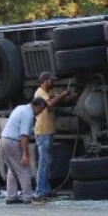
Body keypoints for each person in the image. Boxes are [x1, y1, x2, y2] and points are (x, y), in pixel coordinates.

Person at [31, 73, 74, 204]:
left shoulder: (48, 92)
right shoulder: (40, 93)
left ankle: (45, 190)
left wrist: (67, 96)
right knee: (43, 163)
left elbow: (57, 99)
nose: (53, 82)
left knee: (47, 163)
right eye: (51, 80)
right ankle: (40, 192)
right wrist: (62, 94)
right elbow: (49, 104)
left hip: (48, 131)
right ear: (45, 81)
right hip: (43, 132)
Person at [0, 100, 37, 204]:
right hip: (12, 141)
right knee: (23, 169)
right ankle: (28, 197)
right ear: (38, 107)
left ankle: (11, 197)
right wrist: (25, 154)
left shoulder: (20, 107)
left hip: (3, 139)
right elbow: (23, 136)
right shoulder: (28, 115)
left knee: (12, 169)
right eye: (41, 110)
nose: (40, 113)